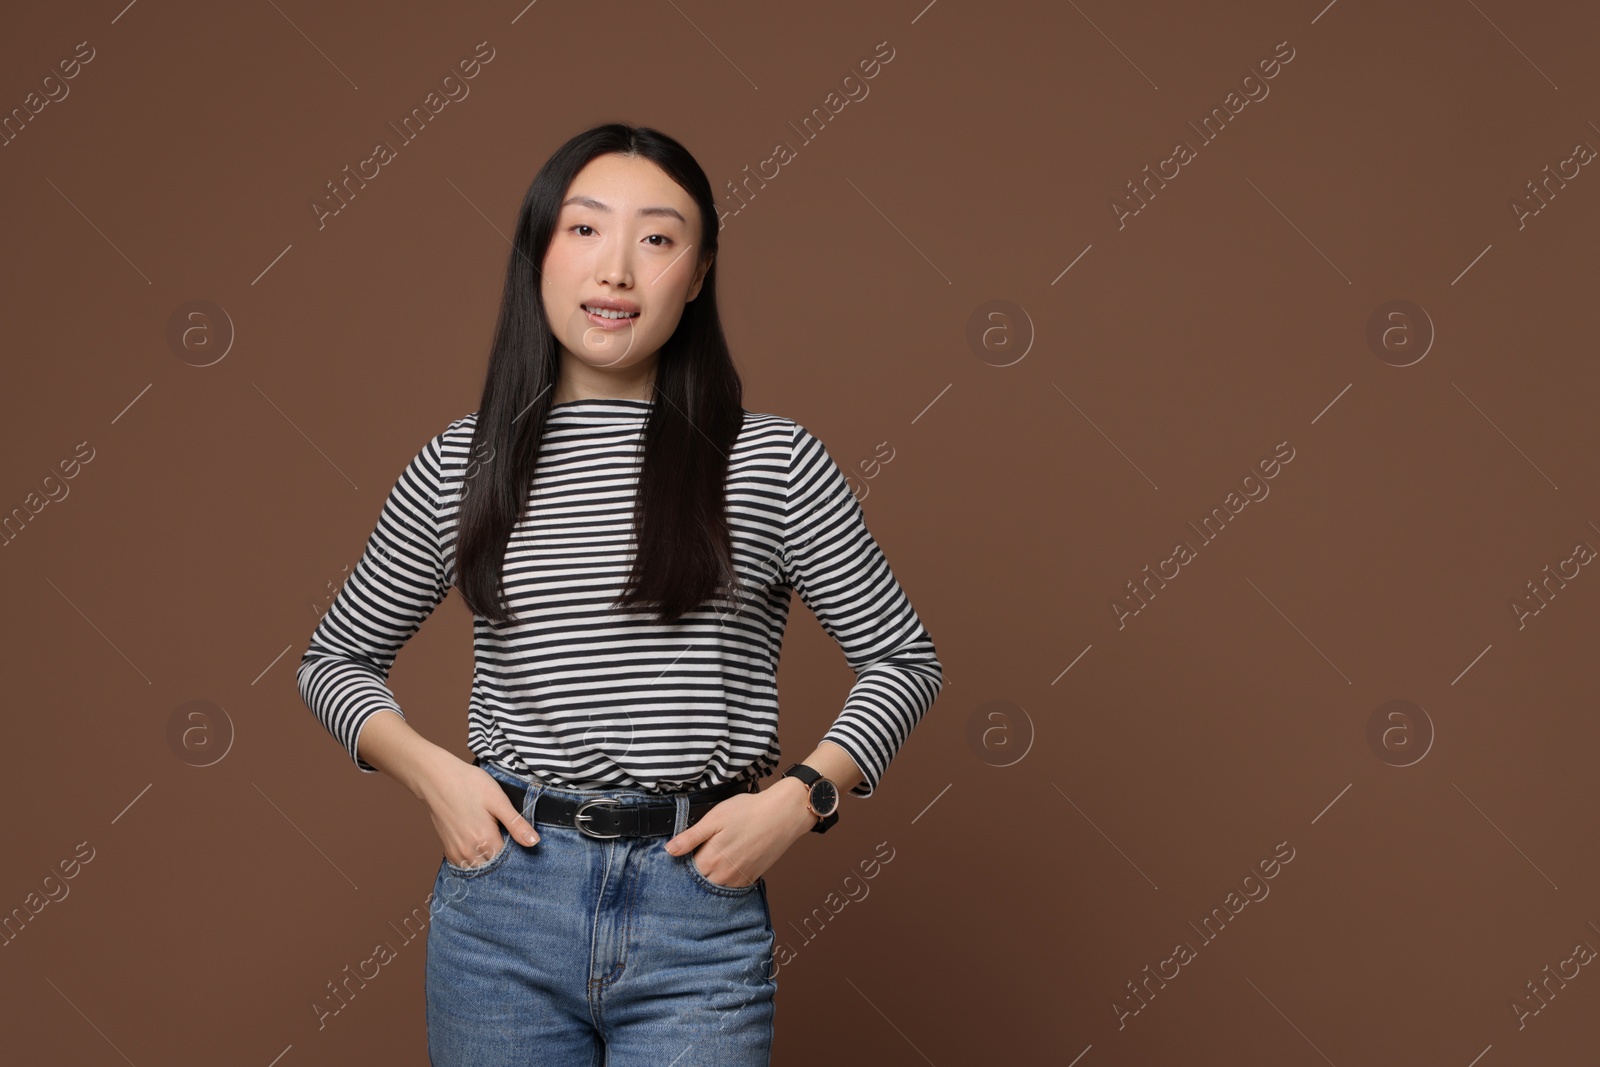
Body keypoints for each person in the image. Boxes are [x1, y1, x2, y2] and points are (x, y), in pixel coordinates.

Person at [295, 122, 944, 1066]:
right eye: (584, 229)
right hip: (503, 906)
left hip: (699, 907)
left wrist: (801, 798)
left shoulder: (769, 462)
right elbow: (332, 660)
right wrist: (437, 776)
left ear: (699, 270)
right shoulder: (462, 463)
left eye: (657, 237)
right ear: (540, 253)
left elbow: (903, 659)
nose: (617, 271)